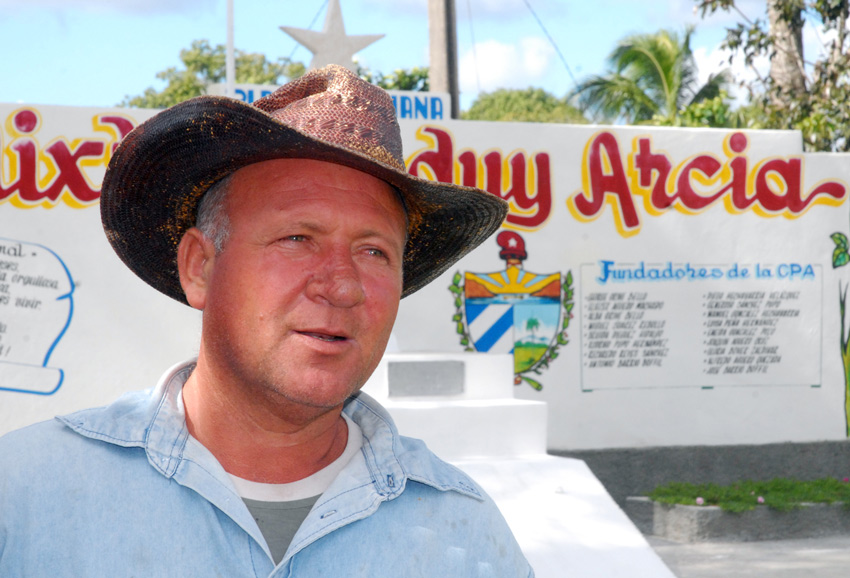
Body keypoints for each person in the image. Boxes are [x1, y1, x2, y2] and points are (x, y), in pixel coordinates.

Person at [0, 65, 533, 577]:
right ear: (200, 267)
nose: (343, 286)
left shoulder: (469, 539)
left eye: (374, 252)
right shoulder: (24, 498)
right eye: (297, 238)